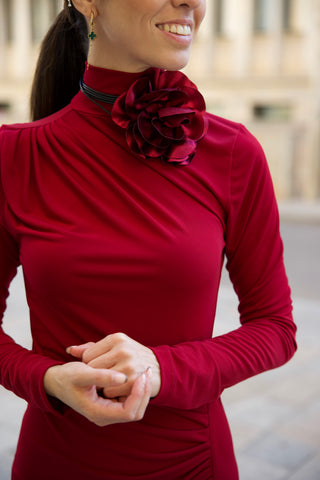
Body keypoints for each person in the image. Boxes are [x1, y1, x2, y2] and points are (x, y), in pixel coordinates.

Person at [0, 0, 297, 479]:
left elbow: (276, 328)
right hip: (55, 461)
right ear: (89, 3)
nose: (191, 3)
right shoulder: (14, 155)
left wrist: (163, 368)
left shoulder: (234, 153)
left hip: (193, 462)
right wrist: (47, 378)